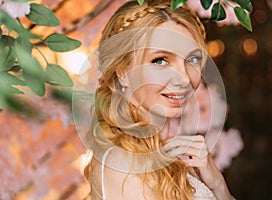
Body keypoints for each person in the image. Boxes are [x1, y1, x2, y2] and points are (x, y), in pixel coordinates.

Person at [84, 0, 234, 199]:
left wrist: (218, 185)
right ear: (123, 72)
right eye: (160, 60)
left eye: (192, 59)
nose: (184, 78)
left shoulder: (166, 153)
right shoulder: (124, 165)